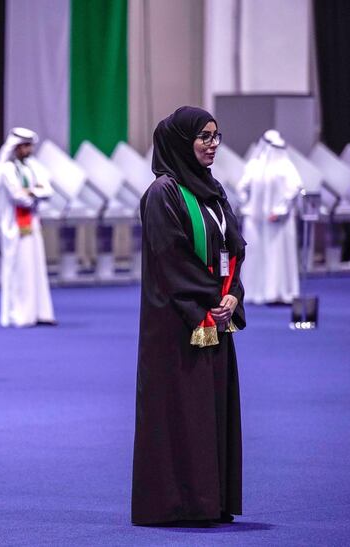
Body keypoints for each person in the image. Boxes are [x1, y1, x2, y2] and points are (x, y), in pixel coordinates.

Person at [131, 107, 246, 526]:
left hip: (214, 315)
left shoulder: (212, 191)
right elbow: (169, 259)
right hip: (178, 323)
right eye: (204, 137)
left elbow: (233, 248)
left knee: (209, 410)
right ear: (182, 141)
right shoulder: (164, 193)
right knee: (182, 410)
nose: (212, 145)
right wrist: (211, 297)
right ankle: (177, 503)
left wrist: (233, 295)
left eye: (216, 136)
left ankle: (208, 499)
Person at [0, 127, 56, 327]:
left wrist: (30, 192)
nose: (28, 149)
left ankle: (39, 312)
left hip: (32, 224)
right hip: (15, 227)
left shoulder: (33, 167)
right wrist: (33, 193)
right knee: (20, 269)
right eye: (25, 146)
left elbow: (47, 190)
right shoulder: (6, 169)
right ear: (16, 147)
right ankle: (20, 314)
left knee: (35, 266)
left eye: (30, 146)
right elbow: (17, 197)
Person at [238, 129, 303, 304]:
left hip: (278, 222)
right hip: (256, 221)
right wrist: (249, 208)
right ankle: (256, 292)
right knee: (255, 256)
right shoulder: (254, 166)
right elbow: (242, 188)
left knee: (277, 256)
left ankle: (278, 292)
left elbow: (294, 189)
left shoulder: (285, 166)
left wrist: (280, 211)